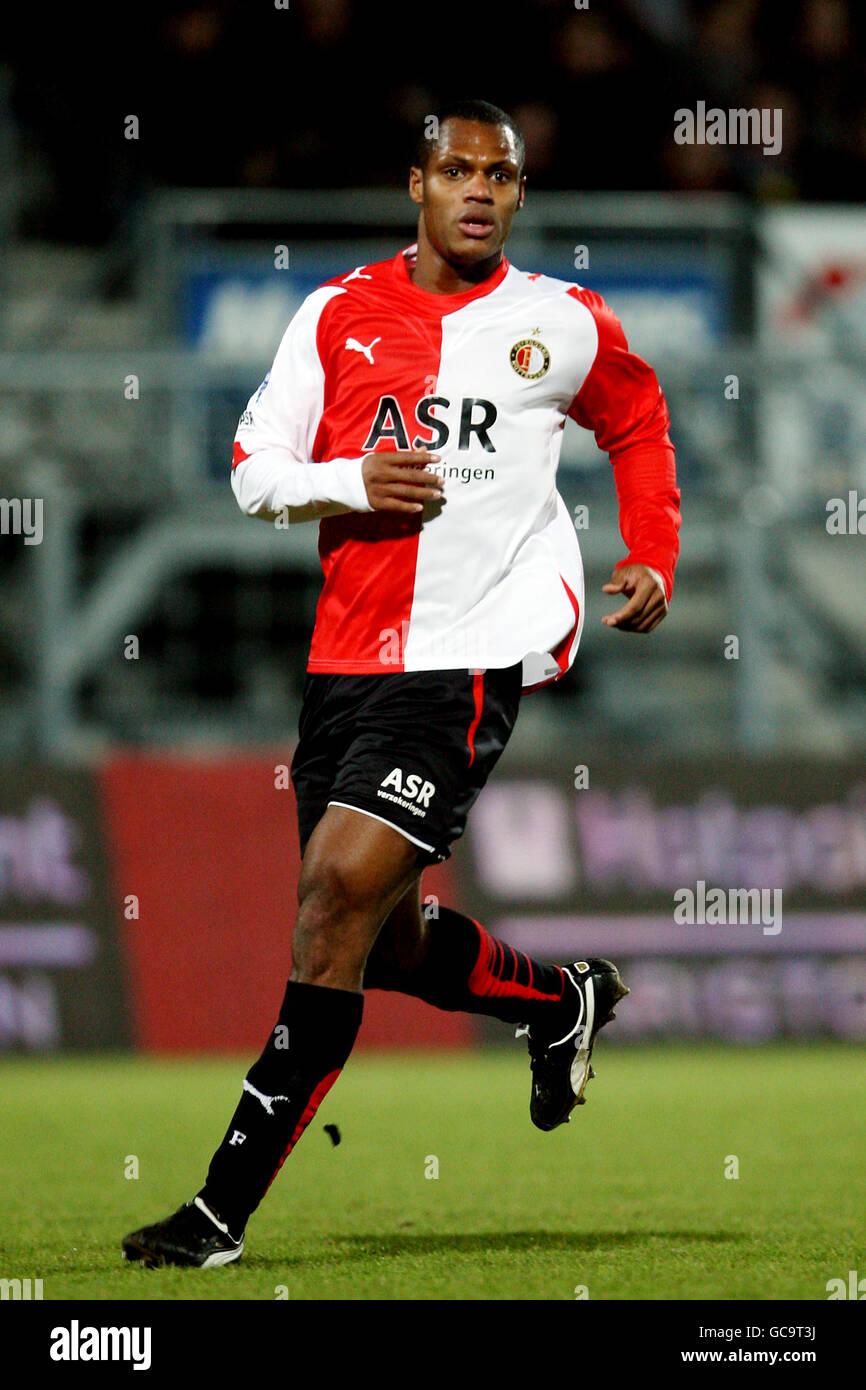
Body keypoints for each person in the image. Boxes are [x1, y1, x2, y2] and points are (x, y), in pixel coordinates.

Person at [122, 98, 680, 1269]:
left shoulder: (558, 321)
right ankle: (555, 1001)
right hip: (342, 665)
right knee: (375, 942)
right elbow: (250, 469)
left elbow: (635, 418)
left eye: (500, 174)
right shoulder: (331, 315)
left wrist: (651, 551)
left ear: (518, 197)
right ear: (414, 186)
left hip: (469, 656)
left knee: (330, 894)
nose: (478, 189)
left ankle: (215, 1215)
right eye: (455, 170)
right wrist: (348, 479)